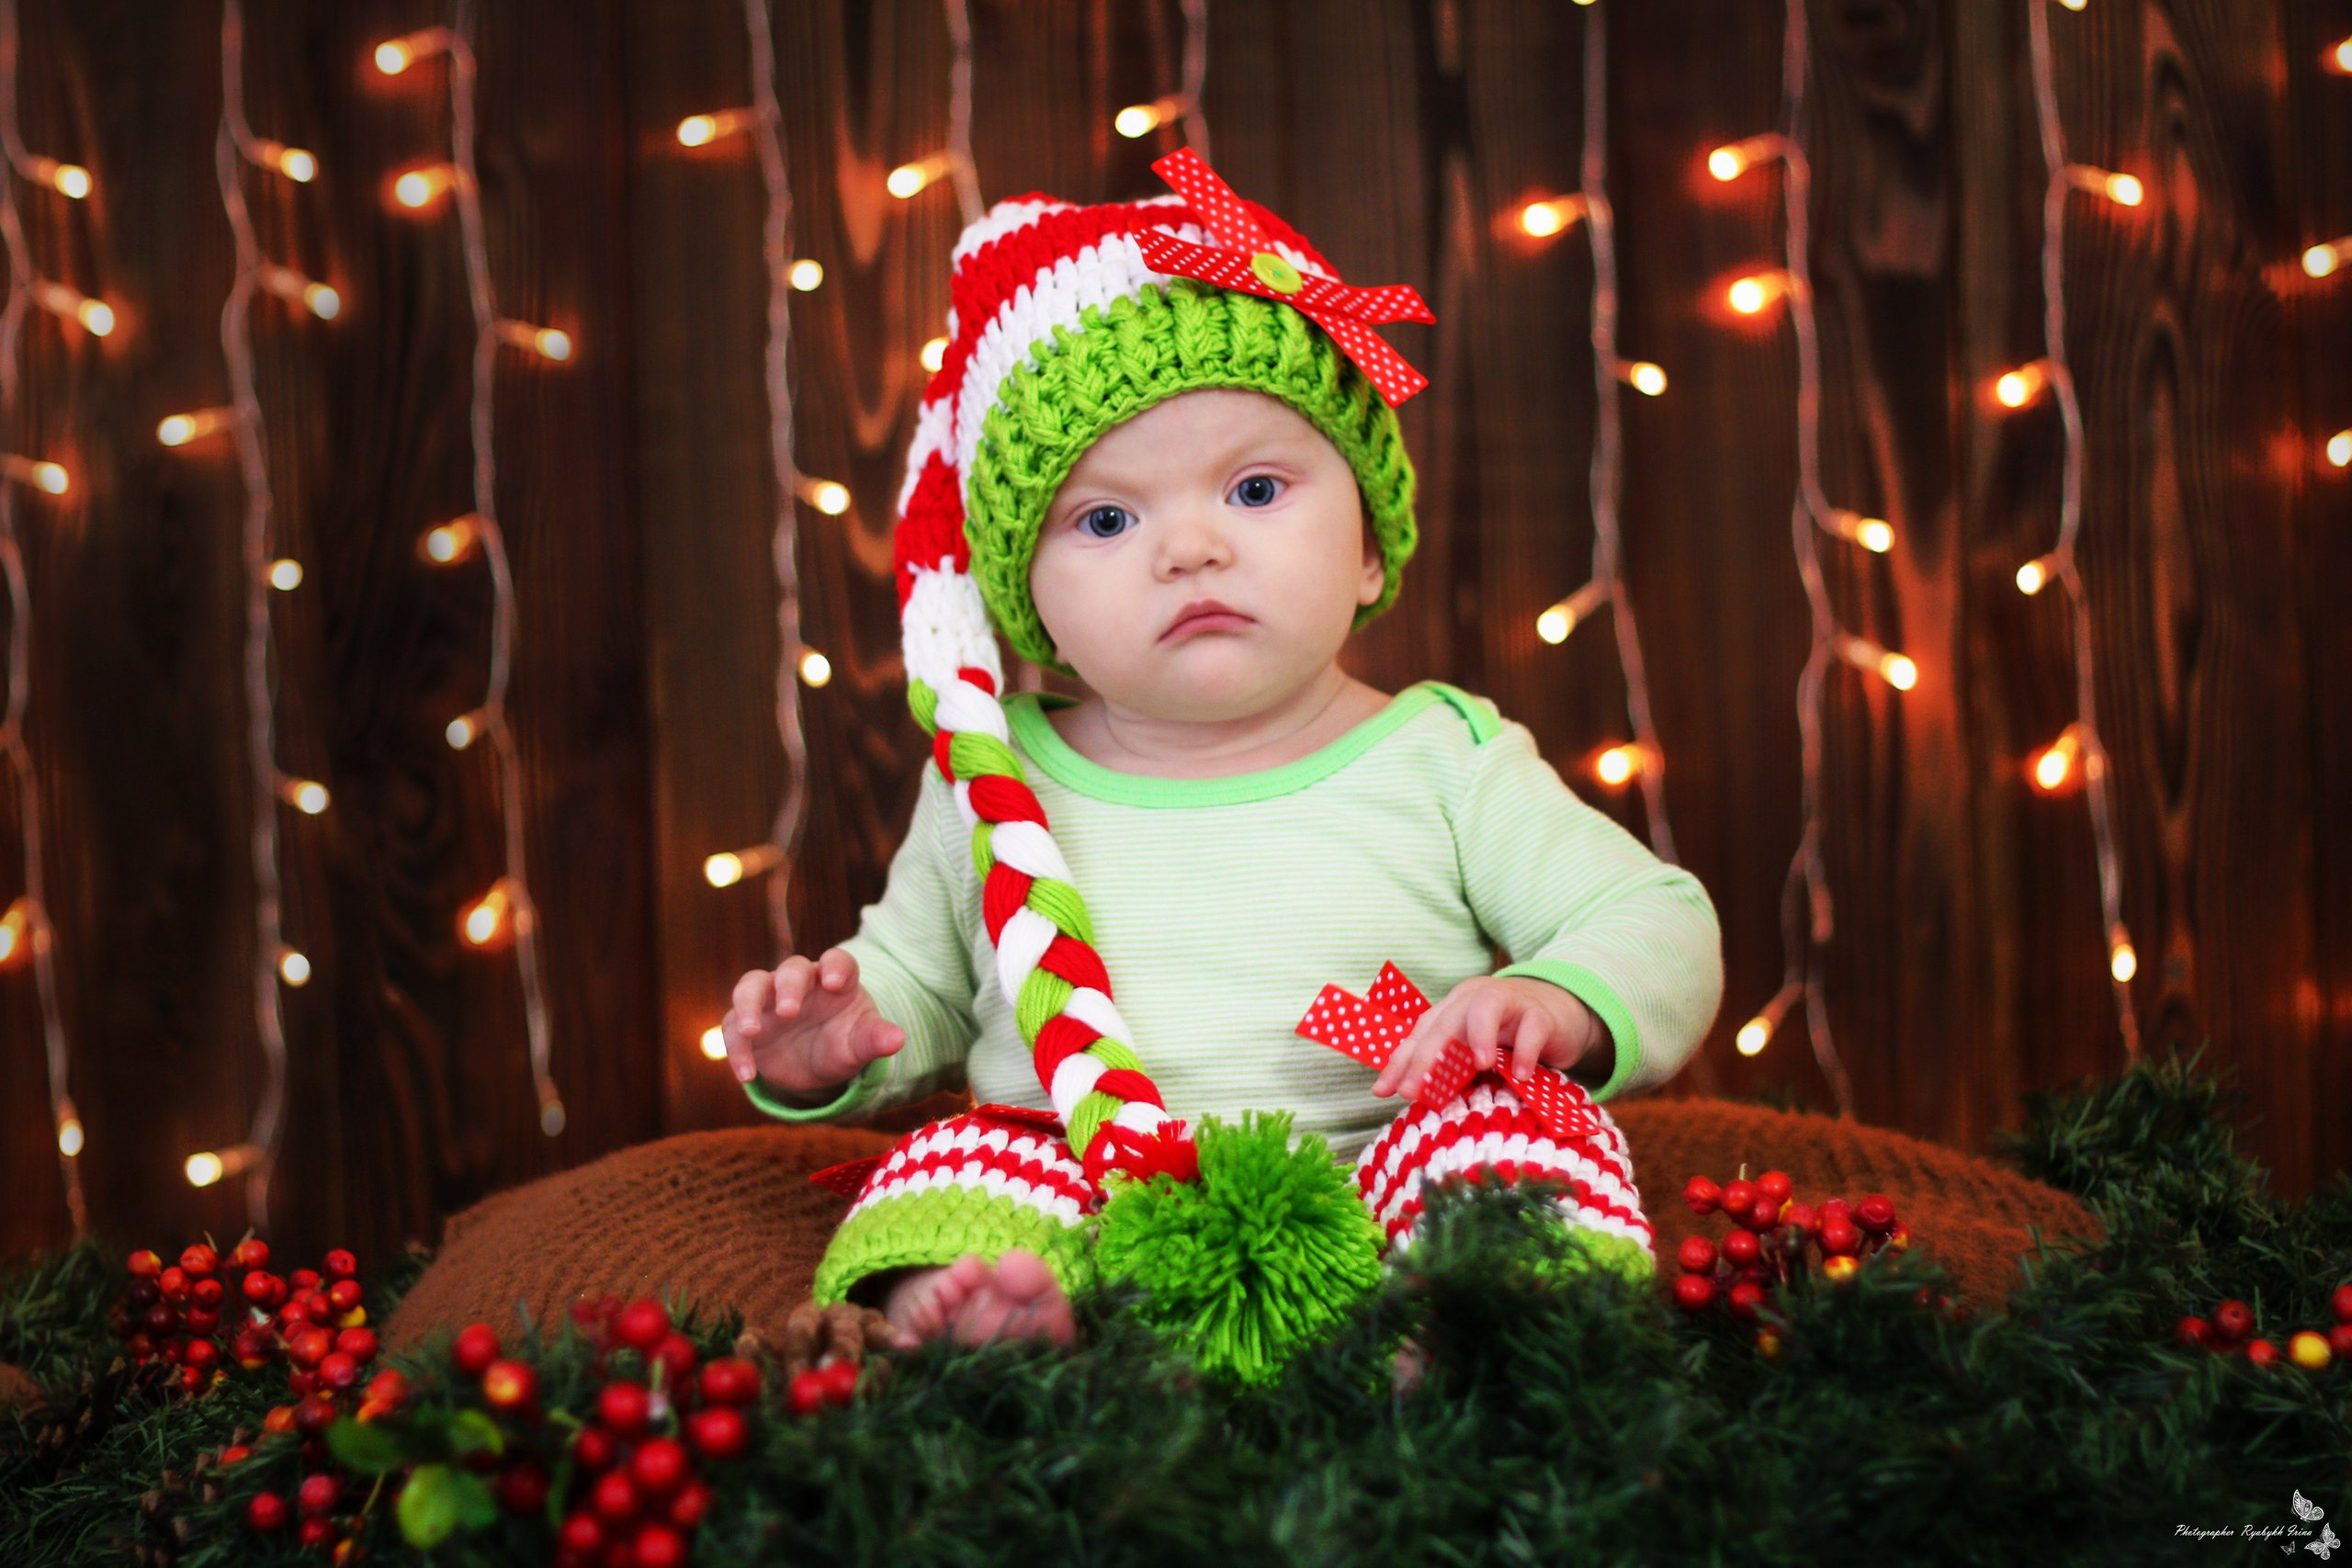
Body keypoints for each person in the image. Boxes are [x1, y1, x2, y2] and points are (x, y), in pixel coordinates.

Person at [720, 152, 1724, 1359]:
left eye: (1255, 489)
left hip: (1379, 1171)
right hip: (1090, 1183)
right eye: (1106, 518)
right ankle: (984, 1312)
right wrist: (830, 1044)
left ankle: (1468, 1324)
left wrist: (1554, 1000)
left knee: (1523, 1137)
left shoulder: (1442, 757)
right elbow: (921, 994)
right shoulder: (996, 786)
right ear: (1024, 597)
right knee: (970, 1149)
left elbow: (1654, 916)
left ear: (1366, 544)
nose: (1189, 549)